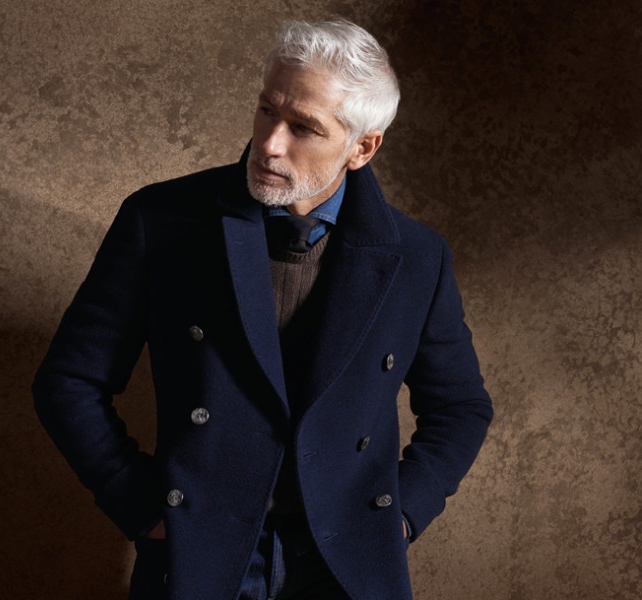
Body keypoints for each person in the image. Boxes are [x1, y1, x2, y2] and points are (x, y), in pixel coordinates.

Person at [33, 18, 493, 600]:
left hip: (346, 564)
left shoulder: (417, 257)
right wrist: (140, 505)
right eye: (267, 110)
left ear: (362, 148)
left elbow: (460, 407)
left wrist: (397, 518)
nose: (270, 143)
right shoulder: (162, 221)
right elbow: (69, 380)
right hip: (200, 553)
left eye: (304, 127)